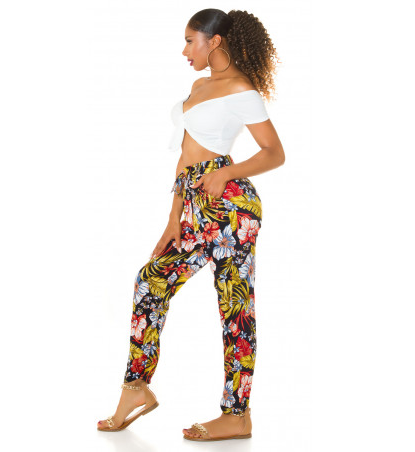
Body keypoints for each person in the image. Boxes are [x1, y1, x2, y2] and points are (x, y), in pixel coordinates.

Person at [97, 8, 285, 441]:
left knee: (235, 309)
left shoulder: (241, 89)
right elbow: (186, 156)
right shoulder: (200, 86)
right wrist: (173, 217)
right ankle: (136, 387)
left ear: (213, 41)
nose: (184, 51)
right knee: (151, 281)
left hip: (230, 209)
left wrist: (226, 173)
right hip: (195, 205)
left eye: (189, 41)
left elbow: (274, 152)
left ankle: (237, 415)